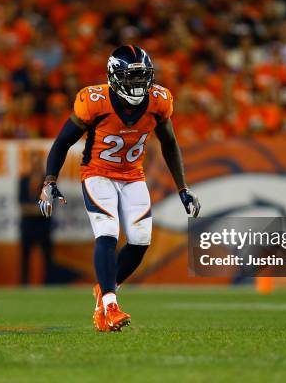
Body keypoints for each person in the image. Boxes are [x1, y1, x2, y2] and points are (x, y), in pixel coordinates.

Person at [37, 45, 201, 332]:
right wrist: (50, 180)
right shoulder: (95, 101)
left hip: (132, 175)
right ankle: (110, 305)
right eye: (131, 78)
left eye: (142, 78)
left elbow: (170, 144)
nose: (139, 85)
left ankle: (105, 289)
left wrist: (183, 188)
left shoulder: (158, 101)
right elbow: (62, 142)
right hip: (97, 173)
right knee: (108, 231)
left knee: (140, 239)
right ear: (114, 76)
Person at [18, 151, 54, 285]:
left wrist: (32, 209)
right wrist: (37, 209)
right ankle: (24, 284)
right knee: (25, 257)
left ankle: (49, 283)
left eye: (37, 161)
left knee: (47, 258)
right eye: (33, 161)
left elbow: (49, 205)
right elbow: (21, 203)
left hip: (43, 225)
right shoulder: (23, 179)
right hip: (27, 225)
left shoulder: (48, 181)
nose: (35, 164)